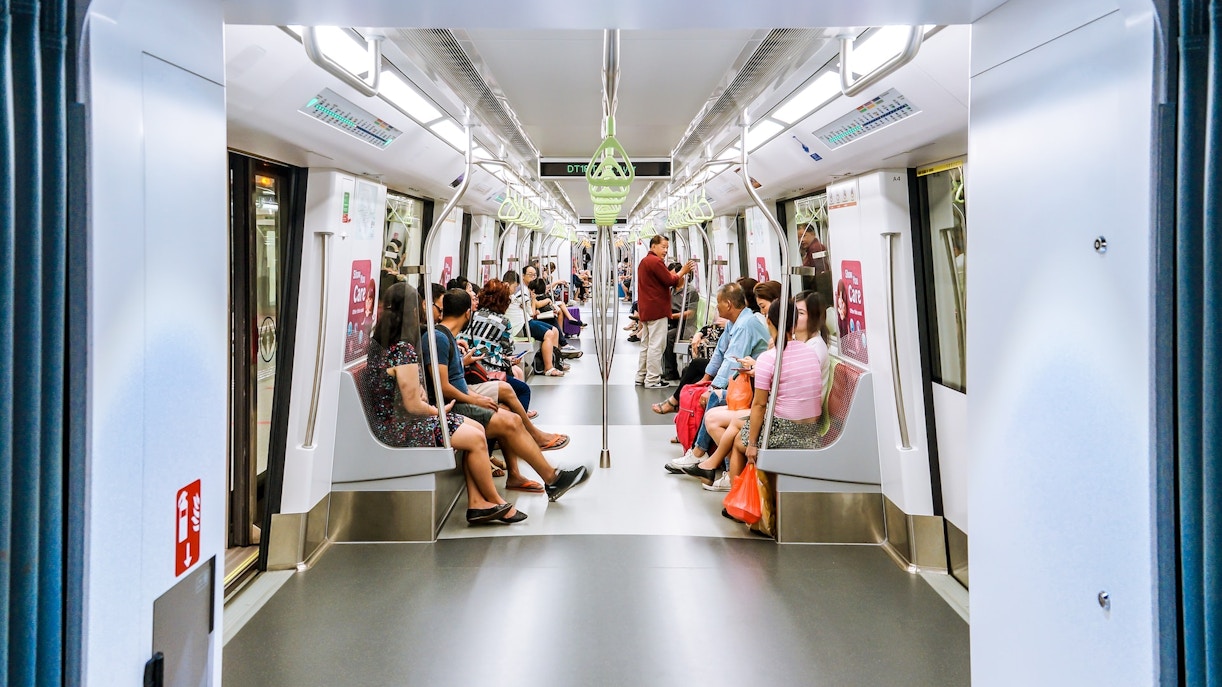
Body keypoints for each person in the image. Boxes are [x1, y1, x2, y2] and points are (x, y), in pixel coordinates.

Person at [365, 282, 522, 524]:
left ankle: (479, 503)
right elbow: (413, 405)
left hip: (391, 422)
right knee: (475, 437)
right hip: (399, 429)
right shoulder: (403, 351)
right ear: (415, 311)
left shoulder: (379, 345)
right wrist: (439, 411)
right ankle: (494, 501)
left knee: (477, 430)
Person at [423, 288, 589, 501]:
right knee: (510, 421)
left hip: (460, 395)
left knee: (509, 407)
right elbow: (442, 387)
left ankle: (536, 474)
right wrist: (475, 398)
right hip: (452, 404)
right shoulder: (439, 338)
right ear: (467, 313)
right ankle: (552, 478)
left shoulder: (445, 336)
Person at [683, 298, 824, 494]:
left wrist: (752, 444)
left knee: (740, 440)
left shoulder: (771, 357)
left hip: (786, 427)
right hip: (811, 428)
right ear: (794, 324)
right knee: (738, 431)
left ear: (768, 322)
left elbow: (759, 405)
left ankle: (733, 492)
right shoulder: (810, 352)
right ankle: (718, 476)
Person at [664, 282, 769, 478]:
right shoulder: (734, 322)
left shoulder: (746, 325)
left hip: (755, 386)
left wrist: (714, 387)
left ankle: (700, 454)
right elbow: (721, 352)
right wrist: (706, 379)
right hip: (743, 381)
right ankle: (708, 458)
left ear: (728, 304)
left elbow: (732, 359)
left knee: (715, 398)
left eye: (719, 303)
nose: (717, 307)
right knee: (704, 388)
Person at [635, 235, 696, 388]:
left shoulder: (644, 262)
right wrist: (682, 271)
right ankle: (652, 380)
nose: (665, 250)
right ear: (653, 246)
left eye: (667, 247)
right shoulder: (655, 262)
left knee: (647, 344)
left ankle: (641, 376)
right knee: (657, 346)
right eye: (663, 247)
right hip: (657, 310)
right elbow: (670, 280)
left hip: (647, 309)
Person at [662, 261, 699, 381]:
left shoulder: (690, 291)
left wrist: (672, 316)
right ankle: (663, 369)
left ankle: (671, 372)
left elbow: (691, 313)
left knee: (669, 336)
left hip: (686, 324)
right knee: (659, 333)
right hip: (671, 320)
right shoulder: (670, 289)